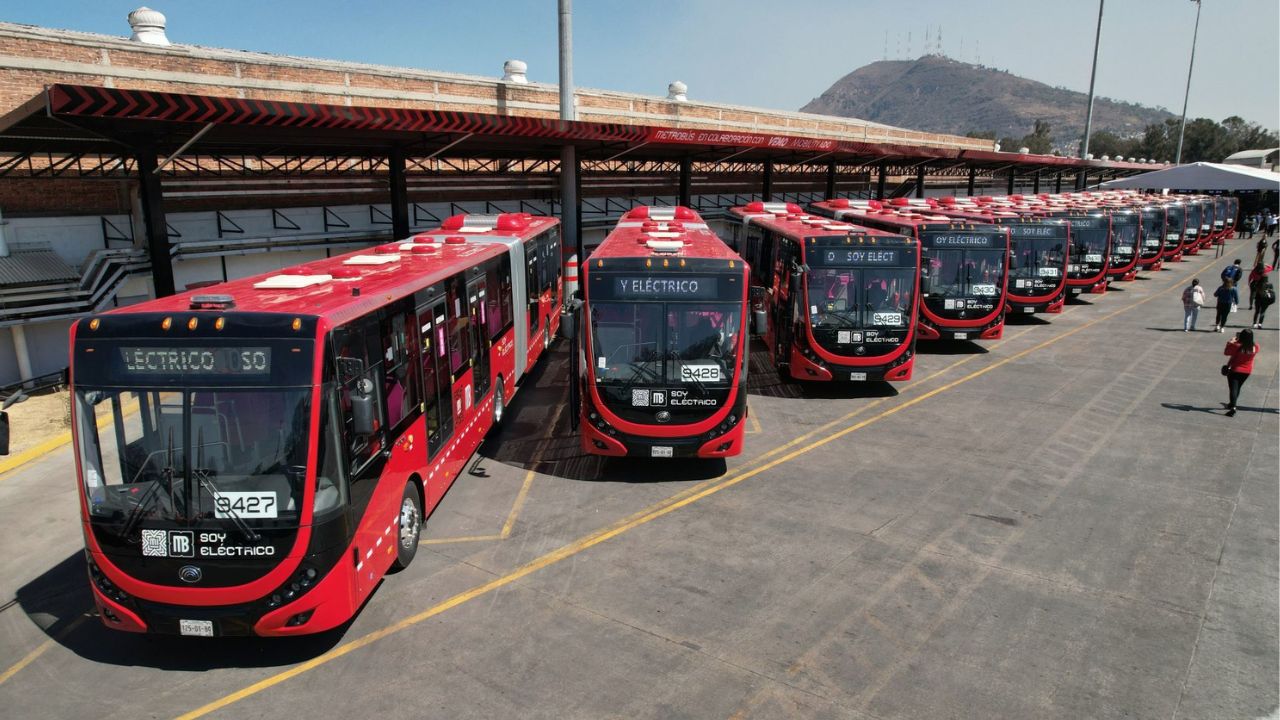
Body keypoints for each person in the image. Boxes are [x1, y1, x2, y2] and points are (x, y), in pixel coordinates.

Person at [1222, 329, 1259, 417]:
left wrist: (1230, 342)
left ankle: (1233, 407)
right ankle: (1232, 404)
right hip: (1247, 371)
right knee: (1238, 387)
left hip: (1235, 370)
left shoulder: (1237, 346)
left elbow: (1226, 352)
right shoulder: (1256, 347)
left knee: (1233, 389)